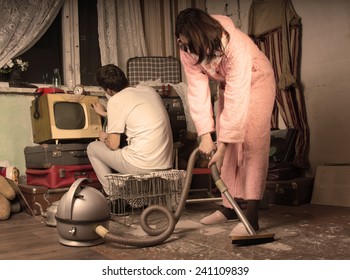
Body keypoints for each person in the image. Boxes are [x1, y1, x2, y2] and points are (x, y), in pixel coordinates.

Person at [175, 8, 276, 236]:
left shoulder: (234, 44)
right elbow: (197, 90)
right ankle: (229, 207)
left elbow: (237, 95)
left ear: (202, 35)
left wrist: (223, 144)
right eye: (182, 43)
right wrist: (205, 135)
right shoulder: (186, 49)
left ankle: (251, 215)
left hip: (257, 80)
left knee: (251, 142)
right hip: (229, 85)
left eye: (189, 43)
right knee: (224, 141)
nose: (185, 48)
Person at [87, 64, 174, 194]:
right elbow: (134, 113)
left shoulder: (116, 100)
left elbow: (113, 144)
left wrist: (105, 138)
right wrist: (105, 114)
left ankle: (114, 194)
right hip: (166, 164)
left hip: (142, 166)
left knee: (92, 148)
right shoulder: (149, 90)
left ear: (109, 90)